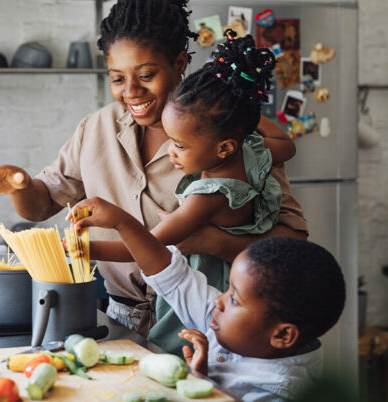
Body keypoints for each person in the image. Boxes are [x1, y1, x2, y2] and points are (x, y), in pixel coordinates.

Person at [0, 0, 308, 337]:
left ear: (179, 63)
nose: (131, 92)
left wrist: (214, 242)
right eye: (117, 78)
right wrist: (19, 184)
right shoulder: (95, 129)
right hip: (119, 318)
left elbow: (293, 244)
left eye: (146, 75)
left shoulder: (227, 135)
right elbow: (41, 205)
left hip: (206, 320)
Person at [87, 30, 294, 354]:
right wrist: (243, 113)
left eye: (180, 145)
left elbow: (147, 248)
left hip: (204, 308)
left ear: (224, 146)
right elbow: (289, 145)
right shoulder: (250, 150)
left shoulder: (207, 197)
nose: (172, 152)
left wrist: (84, 249)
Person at [67, 199, 346, 401]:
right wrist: (122, 223)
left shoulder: (276, 392)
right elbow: (172, 276)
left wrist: (201, 384)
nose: (220, 301)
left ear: (283, 334)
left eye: (234, 299)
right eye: (228, 291)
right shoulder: (232, 323)